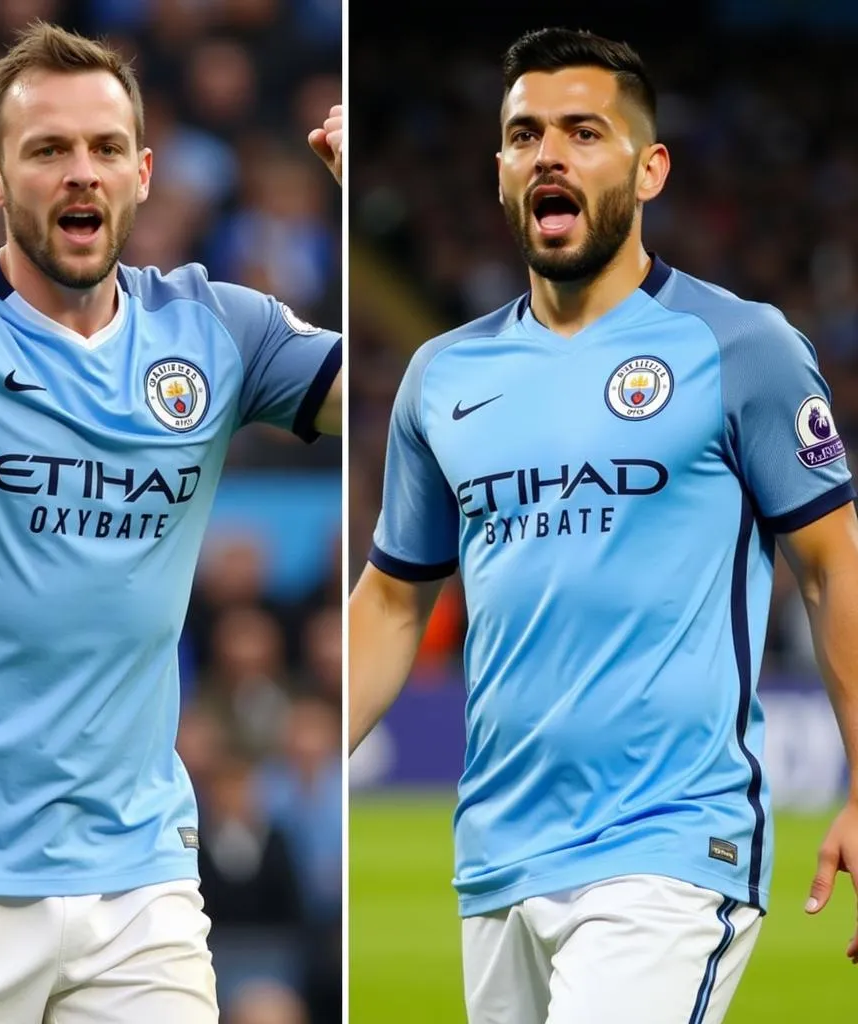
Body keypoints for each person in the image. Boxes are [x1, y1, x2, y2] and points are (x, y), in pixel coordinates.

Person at [0, 21, 342, 1024]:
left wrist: (359, 206)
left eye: (106, 149)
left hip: (140, 877)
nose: (81, 173)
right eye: (48, 150)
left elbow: (415, 411)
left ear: (145, 171)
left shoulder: (216, 328)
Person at [348, 26, 858, 1024]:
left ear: (649, 165)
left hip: (668, 841)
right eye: (525, 133)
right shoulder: (441, 377)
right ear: (498, 167)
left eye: (583, 131)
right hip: (495, 852)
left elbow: (832, 567)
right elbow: (394, 602)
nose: (549, 153)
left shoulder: (741, 346)